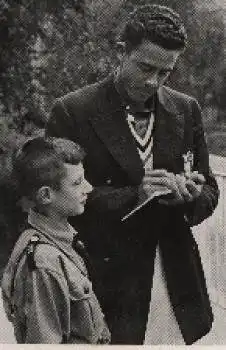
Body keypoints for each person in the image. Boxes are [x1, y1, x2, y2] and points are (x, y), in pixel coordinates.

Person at [46, 4, 219, 345]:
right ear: (121, 51)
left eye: (165, 73)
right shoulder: (72, 111)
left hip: (175, 280)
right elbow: (54, 199)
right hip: (105, 280)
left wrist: (192, 196)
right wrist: (135, 195)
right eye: (145, 68)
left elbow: (210, 187)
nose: (153, 81)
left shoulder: (187, 109)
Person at [1, 137, 110, 344]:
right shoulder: (44, 262)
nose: (89, 188)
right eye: (77, 182)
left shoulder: (60, 239)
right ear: (45, 195)